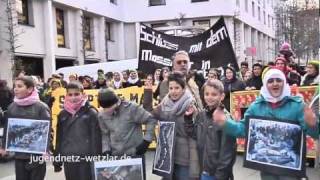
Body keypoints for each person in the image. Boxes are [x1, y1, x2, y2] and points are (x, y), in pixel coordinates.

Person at [214, 68, 318, 180]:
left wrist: (312, 123)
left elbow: (315, 133)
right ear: (265, 84)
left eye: (278, 80)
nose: (275, 83)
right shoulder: (256, 107)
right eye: (270, 81)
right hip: (267, 169)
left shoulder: (297, 106)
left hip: (290, 171)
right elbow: (243, 129)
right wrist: (225, 123)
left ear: (284, 82)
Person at [144, 72, 200, 180]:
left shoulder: (191, 106)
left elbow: (195, 135)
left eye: (177, 88)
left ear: (183, 89)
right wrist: (148, 92)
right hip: (168, 157)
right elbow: (149, 115)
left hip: (185, 160)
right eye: (171, 88)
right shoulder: (165, 104)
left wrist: (195, 167)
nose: (173, 91)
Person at [97, 88, 156, 179]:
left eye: (110, 108)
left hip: (134, 154)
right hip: (116, 156)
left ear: (116, 102)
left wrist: (146, 141)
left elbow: (150, 120)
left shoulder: (131, 108)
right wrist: (106, 150)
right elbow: (105, 134)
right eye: (105, 108)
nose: (107, 111)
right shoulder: (101, 115)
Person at [184, 79, 236, 180]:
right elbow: (195, 134)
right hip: (203, 169)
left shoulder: (225, 119)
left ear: (222, 96)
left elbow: (228, 153)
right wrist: (188, 119)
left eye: (214, 94)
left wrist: (221, 175)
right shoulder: (201, 115)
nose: (209, 97)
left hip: (217, 173)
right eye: (207, 94)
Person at [0, 76, 51, 180]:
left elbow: (48, 130)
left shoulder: (41, 107)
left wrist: (46, 149)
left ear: (30, 89)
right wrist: (4, 147)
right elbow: (7, 129)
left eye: (19, 86)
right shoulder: (11, 107)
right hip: (19, 156)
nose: (15, 89)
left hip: (36, 156)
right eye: (15, 86)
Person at [53, 81, 101, 180]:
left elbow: (95, 139)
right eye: (70, 95)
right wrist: (57, 159)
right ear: (66, 96)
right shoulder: (63, 114)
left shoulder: (91, 112)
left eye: (76, 94)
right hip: (69, 158)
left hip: (86, 159)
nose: (73, 97)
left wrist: (97, 160)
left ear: (83, 94)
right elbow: (59, 138)